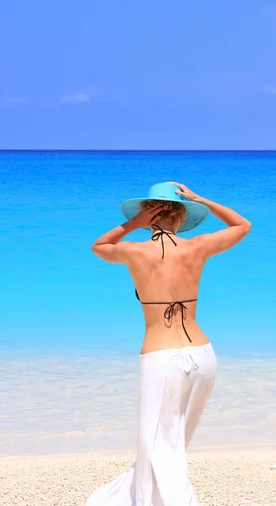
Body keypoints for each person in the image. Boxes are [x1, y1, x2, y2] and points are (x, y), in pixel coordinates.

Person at [86, 181, 251, 506]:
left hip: (164, 359)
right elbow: (242, 225)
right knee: (175, 442)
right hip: (203, 355)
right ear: (182, 216)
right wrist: (200, 198)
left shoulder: (135, 251)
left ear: (151, 214)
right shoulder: (197, 247)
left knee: (157, 443)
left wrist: (133, 224)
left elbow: (99, 246)